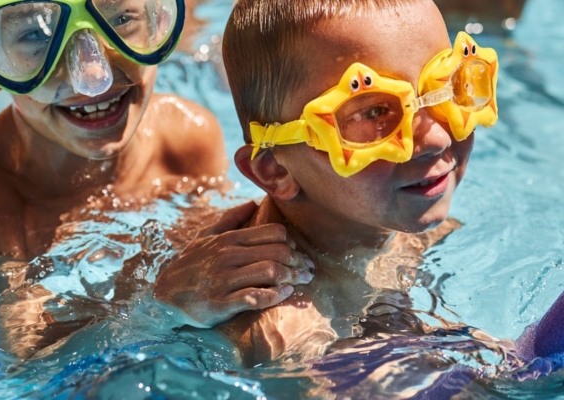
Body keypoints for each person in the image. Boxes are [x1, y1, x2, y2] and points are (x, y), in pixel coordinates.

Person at [201, 0, 564, 375]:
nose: (436, 137)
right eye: (374, 113)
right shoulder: (285, 334)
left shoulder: (395, 223)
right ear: (275, 169)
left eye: (449, 86)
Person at [0, 0, 315, 353]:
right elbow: (32, 366)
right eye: (35, 36)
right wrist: (157, 307)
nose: (92, 79)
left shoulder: (184, 138)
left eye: (120, 19)